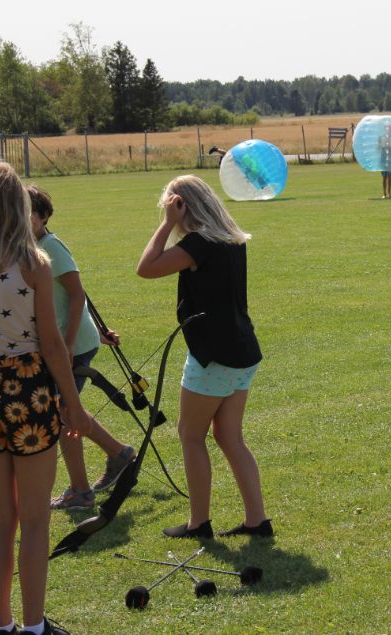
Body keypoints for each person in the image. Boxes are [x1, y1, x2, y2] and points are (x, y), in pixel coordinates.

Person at [0, 160, 88, 635]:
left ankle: (0, 626)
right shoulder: (33, 265)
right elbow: (50, 345)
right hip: (29, 392)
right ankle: (34, 627)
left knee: (0, 519)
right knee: (35, 519)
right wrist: (74, 403)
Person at [136, 175, 272, 540]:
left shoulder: (199, 244)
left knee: (190, 434)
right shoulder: (231, 239)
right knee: (230, 436)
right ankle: (257, 521)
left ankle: (199, 523)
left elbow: (146, 268)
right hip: (243, 350)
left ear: (181, 206)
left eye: (171, 207)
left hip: (214, 356)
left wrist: (165, 224)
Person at [25, 186, 136, 512]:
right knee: (62, 409)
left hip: (70, 346)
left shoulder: (50, 247)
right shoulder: (25, 249)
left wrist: (73, 341)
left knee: (61, 414)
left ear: (43, 217)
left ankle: (81, 491)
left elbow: (76, 295)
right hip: (55, 344)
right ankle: (119, 454)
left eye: (29, 213)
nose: (21, 219)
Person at [379, 121, 391, 199]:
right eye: (387, 128)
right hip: (383, 158)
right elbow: (378, 148)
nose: (388, 130)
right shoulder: (381, 137)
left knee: (389, 177)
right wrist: (381, 145)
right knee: (384, 177)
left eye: (390, 128)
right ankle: (384, 193)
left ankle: (389, 193)